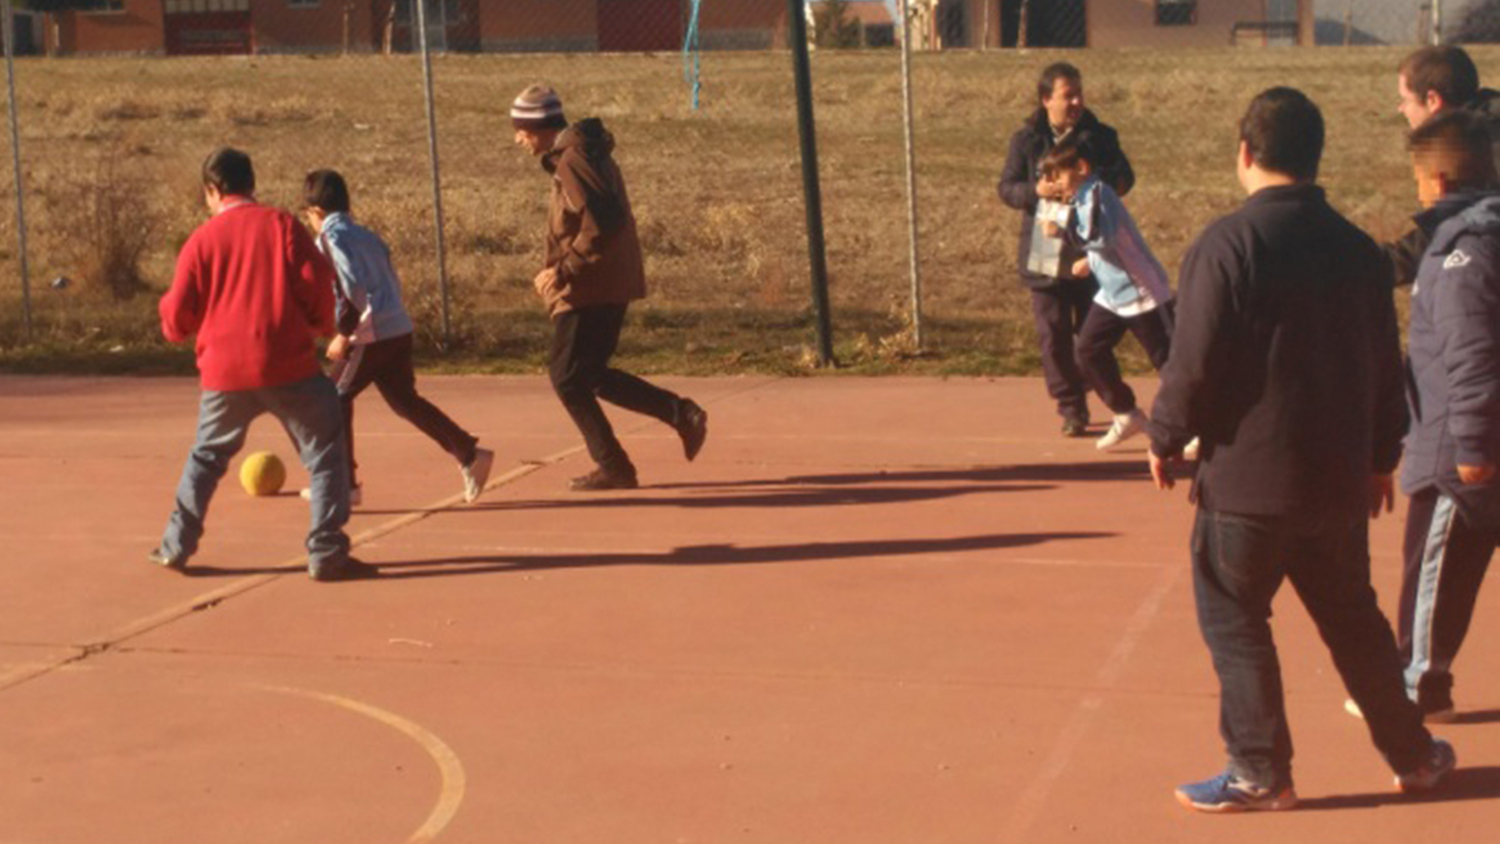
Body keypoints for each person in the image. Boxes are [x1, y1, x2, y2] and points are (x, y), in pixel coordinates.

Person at [1148, 88, 1454, 812]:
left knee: (1234, 617)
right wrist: (1382, 457)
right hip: (1337, 483)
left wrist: (1164, 435)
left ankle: (1261, 767)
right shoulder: (1357, 251)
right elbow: (1387, 365)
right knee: (1354, 619)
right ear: (1316, 159)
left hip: (1249, 484)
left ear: (1246, 154)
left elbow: (1193, 362)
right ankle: (1413, 755)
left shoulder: (1227, 245)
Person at [152, 148, 374, 582]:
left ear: (213, 191)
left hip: (224, 371)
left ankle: (175, 545)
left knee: (207, 456)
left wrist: (177, 325)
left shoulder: (201, 240)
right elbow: (318, 286)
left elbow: (177, 316)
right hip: (287, 362)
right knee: (326, 451)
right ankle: (326, 551)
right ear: (252, 184)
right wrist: (319, 325)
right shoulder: (282, 226)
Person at [1369, 111, 1500, 723]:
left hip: (1459, 448)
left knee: (1435, 571)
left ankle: (1418, 682)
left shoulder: (1460, 252)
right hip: (1465, 440)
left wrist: (1471, 445)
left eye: (1419, 182)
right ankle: (1426, 677)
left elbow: (1472, 353)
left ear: (1440, 180)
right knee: (1451, 570)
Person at [511, 84, 708, 491]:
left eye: (521, 128)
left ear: (540, 126)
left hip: (592, 284)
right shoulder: (578, 154)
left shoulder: (573, 159)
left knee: (566, 377)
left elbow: (605, 221)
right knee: (590, 374)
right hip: (606, 279)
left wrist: (564, 270)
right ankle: (678, 415)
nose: (517, 138)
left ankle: (615, 464)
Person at [299, 169, 494, 506]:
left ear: (315, 212)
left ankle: (342, 485)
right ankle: (468, 452)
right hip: (397, 328)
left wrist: (344, 334)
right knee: (405, 401)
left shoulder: (329, 240)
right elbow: (389, 281)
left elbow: (352, 290)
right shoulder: (367, 236)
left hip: (370, 334)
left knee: (331, 399)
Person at [998, 62, 1135, 437]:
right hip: (1045, 251)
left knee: (1095, 333)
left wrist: (1087, 183)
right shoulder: (1026, 141)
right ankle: (1072, 408)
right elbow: (1006, 187)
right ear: (1046, 100)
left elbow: (1125, 178)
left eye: (1079, 93)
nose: (1076, 101)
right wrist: (1035, 192)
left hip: (1091, 249)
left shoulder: (1100, 136)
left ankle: (1087, 376)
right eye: (1066, 95)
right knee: (1053, 335)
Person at [1037, 135, 1174, 451]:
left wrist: (1061, 229)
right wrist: (1091, 260)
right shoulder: (1081, 198)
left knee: (1169, 362)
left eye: (1059, 175)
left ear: (1082, 168)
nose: (1055, 183)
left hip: (1142, 291)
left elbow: (1102, 235)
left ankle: (1199, 426)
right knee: (1088, 350)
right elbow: (1103, 242)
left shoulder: (1098, 193)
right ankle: (1127, 413)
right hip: (1112, 294)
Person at [1387, 45, 1500, 288]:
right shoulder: (1485, 130)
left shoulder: (1476, 150)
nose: (1401, 109)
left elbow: (1450, 229)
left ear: (1432, 100)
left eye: (1405, 100)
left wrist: (1378, 263)